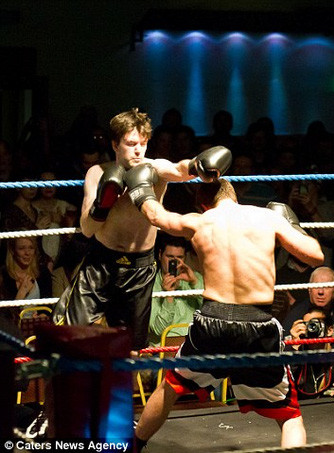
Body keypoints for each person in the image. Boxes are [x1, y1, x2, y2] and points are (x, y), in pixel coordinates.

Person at [129, 178, 324, 448]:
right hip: (257, 323)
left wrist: (139, 185)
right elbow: (315, 256)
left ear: (203, 205)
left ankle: (134, 444)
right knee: (289, 415)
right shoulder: (268, 218)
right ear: (233, 195)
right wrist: (291, 226)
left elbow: (155, 216)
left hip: (212, 321)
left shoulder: (199, 222)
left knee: (171, 387)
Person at [51, 107, 232, 351]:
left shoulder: (155, 169)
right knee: (70, 334)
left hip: (139, 268)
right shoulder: (98, 173)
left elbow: (179, 169)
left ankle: (120, 377)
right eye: (130, 143)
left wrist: (196, 166)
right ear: (115, 145)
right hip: (101, 263)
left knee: (132, 348)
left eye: (143, 143)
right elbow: (86, 228)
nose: (138, 150)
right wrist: (103, 205)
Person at [148, 234, 204, 347]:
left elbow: (210, 314)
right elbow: (157, 330)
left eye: (180, 257)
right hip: (163, 347)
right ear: (160, 255)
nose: (174, 262)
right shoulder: (150, 285)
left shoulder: (195, 278)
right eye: (170, 257)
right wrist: (169, 296)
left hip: (192, 344)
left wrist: (194, 283)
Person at [282, 266, 334, 343]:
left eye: (326, 287)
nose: (320, 292)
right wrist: (295, 344)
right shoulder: (295, 315)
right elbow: (284, 348)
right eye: (316, 286)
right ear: (309, 288)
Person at [0, 237, 52, 327]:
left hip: (38, 327)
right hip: (13, 329)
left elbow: (48, 306)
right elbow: (4, 316)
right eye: (21, 248)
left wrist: (42, 316)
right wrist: (21, 292)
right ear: (12, 250)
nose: (27, 253)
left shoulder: (43, 273)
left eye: (31, 248)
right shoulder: (3, 275)